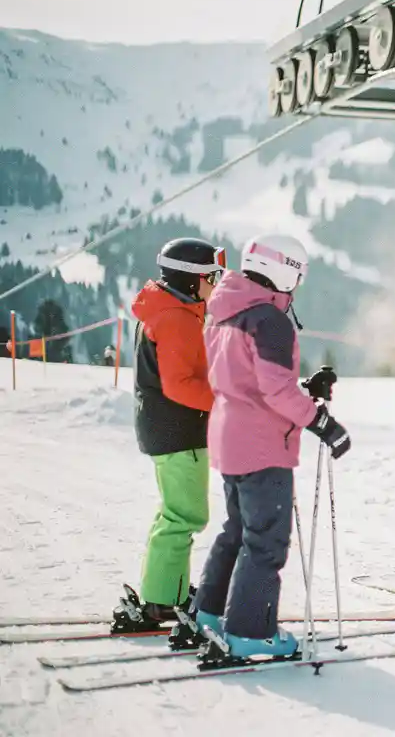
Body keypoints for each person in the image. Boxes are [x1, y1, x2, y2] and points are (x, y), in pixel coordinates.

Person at [190, 233, 351, 661]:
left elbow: (248, 379)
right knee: (265, 542)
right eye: (298, 277)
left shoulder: (225, 311)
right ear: (286, 272)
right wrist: (321, 422)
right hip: (261, 446)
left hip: (229, 437)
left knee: (238, 530)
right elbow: (275, 391)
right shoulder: (269, 320)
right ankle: (249, 631)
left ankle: (208, 612)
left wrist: (303, 389)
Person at [112, 237, 225, 634]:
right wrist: (226, 400)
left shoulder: (170, 311)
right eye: (213, 275)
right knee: (185, 515)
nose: (217, 282)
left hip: (168, 426)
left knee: (175, 513)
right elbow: (180, 385)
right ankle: (163, 601)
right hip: (179, 428)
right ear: (192, 279)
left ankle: (165, 590)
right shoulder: (176, 318)